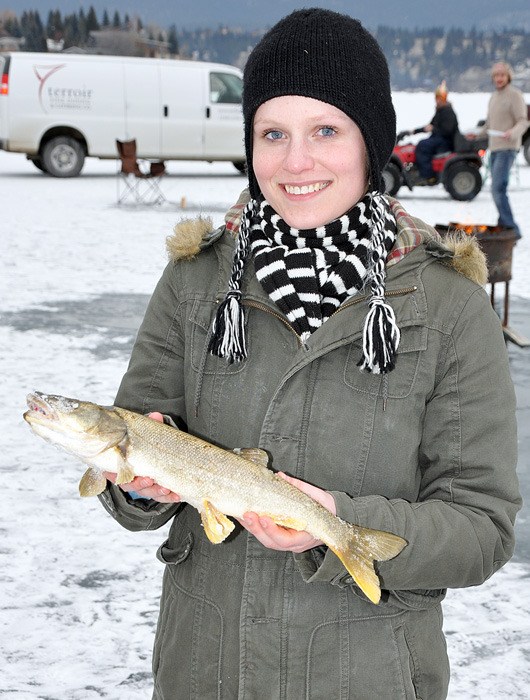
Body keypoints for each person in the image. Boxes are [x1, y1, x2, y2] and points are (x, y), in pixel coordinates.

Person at [98, 9, 521, 699]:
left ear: (369, 142)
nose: (296, 162)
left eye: (326, 130)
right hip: (205, 671)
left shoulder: (448, 305)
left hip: (368, 675)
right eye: (273, 133)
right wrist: (137, 483)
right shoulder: (195, 280)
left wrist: (337, 522)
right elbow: (130, 454)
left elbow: (481, 528)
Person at [476, 62, 528, 239]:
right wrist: (475, 135)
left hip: (508, 148)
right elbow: (489, 125)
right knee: (497, 188)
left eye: (502, 75)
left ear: (508, 77)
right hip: (495, 147)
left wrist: (512, 132)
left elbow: (523, 121)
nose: (499, 78)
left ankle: (512, 228)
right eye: (496, 75)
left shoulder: (514, 95)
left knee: (498, 188)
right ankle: (504, 225)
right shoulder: (493, 97)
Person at [408, 81, 459, 185]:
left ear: (444, 98)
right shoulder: (440, 111)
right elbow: (429, 126)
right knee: (420, 144)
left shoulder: (448, 112)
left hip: (446, 141)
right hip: (438, 138)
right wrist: (414, 131)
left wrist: (433, 130)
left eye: (440, 98)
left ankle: (428, 176)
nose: (437, 100)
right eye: (436, 98)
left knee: (423, 146)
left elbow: (447, 130)